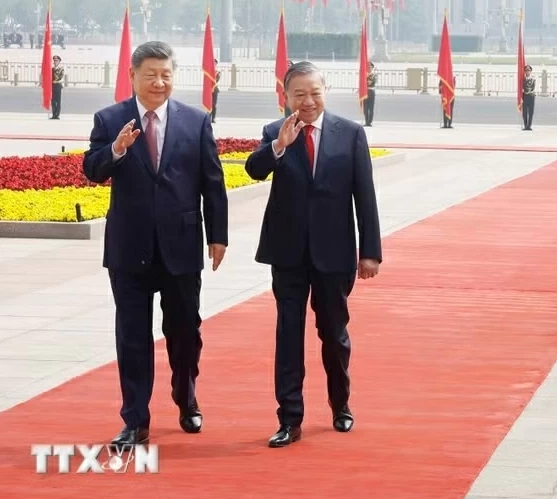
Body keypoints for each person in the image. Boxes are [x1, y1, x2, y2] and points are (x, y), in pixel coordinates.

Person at [82, 41, 229, 448]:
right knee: (132, 335)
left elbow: (212, 183)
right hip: (129, 249)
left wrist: (217, 235)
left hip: (180, 246)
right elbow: (91, 169)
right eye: (150, 75)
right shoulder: (110, 119)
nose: (159, 83)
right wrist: (116, 150)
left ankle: (186, 397)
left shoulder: (196, 121)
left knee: (184, 332)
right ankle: (135, 420)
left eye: (166, 75)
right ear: (132, 75)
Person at [244, 60, 382, 448]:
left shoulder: (350, 133)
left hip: (334, 253)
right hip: (287, 252)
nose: (307, 101)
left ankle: (341, 404)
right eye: (298, 94)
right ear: (285, 96)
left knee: (333, 334)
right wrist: (279, 146)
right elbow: (254, 170)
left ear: (325, 92)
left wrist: (369, 251)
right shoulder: (276, 132)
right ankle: (289, 418)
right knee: (288, 333)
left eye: (314, 93)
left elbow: (365, 196)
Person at [521, 65, 536, 130]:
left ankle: (529, 126)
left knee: (530, 112)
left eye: (529, 70)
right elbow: (522, 87)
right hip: (525, 96)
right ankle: (525, 125)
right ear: (524, 71)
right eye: (526, 70)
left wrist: (526, 90)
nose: (527, 71)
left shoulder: (533, 79)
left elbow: (532, 87)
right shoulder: (522, 79)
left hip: (531, 96)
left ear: (531, 71)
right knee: (524, 112)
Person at [51, 55, 65, 120]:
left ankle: (57, 114)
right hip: (52, 86)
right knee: (52, 101)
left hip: (58, 86)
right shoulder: (52, 69)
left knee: (58, 101)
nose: (55, 61)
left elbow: (62, 78)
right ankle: (54, 114)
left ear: (59, 61)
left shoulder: (61, 69)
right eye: (54, 60)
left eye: (56, 60)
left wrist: (56, 81)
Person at [363, 61, 377, 127]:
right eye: (368, 67)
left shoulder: (374, 75)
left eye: (370, 67)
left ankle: (369, 122)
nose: (369, 68)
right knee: (365, 108)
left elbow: (369, 82)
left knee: (371, 108)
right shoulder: (365, 74)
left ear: (372, 68)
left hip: (371, 92)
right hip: (365, 92)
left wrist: (367, 76)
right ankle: (366, 122)